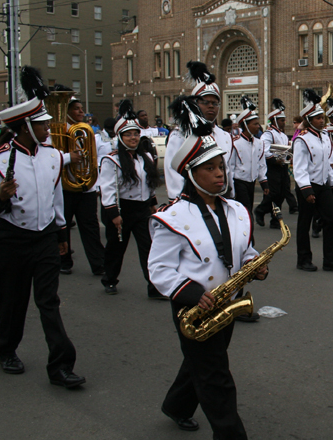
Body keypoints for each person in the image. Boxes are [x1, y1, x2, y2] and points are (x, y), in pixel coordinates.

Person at [148, 98, 264, 439]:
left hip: (227, 301)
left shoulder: (236, 210)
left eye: (221, 168)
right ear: (190, 173)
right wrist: (193, 294)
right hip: (194, 305)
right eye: (210, 169)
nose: (219, 175)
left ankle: (177, 405)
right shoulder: (173, 217)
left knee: (202, 360)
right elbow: (159, 269)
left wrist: (252, 265)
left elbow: (243, 248)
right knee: (215, 375)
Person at [0, 66, 85, 388]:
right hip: (12, 238)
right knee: (13, 300)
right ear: (27, 126)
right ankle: (6, 349)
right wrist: (0, 198)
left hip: (44, 238)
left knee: (49, 301)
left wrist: (61, 237)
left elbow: (57, 198)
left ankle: (60, 365)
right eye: (43, 124)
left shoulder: (52, 156)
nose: (49, 128)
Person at [98, 100, 161, 297]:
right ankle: (109, 279)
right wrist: (114, 214)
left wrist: (152, 205)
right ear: (120, 136)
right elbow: (107, 188)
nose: (133, 138)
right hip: (122, 209)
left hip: (142, 210)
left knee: (148, 249)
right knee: (116, 248)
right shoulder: (111, 160)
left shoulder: (146, 158)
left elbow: (148, 185)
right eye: (129, 134)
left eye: (136, 134)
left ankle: (154, 287)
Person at [164, 61, 234, 200]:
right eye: (205, 102)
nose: (211, 107)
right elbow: (172, 171)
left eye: (215, 103)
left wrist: (230, 196)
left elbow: (227, 170)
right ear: (195, 104)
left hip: (220, 198)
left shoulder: (224, 135)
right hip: (190, 199)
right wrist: (177, 200)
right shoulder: (180, 134)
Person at [293, 89, 333, 273]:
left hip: (323, 185)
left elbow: (327, 164)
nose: (321, 120)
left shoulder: (325, 137)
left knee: (330, 221)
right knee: (304, 223)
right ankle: (303, 259)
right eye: (317, 118)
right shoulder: (302, 140)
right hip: (308, 185)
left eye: (322, 117)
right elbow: (299, 168)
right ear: (309, 120)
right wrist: (306, 191)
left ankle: (331, 260)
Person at [59, 96, 106, 276]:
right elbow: (51, 157)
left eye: (81, 108)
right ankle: (64, 261)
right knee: (63, 226)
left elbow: (99, 152)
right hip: (65, 187)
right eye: (76, 109)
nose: (81, 112)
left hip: (85, 186)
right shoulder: (59, 132)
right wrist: (70, 157)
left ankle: (98, 263)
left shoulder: (87, 132)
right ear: (67, 112)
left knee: (90, 227)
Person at [255, 99, 294, 227]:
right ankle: (260, 210)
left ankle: (274, 218)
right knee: (274, 192)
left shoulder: (282, 135)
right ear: (275, 121)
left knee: (282, 192)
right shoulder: (268, 134)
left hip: (282, 166)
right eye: (282, 120)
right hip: (272, 167)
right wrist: (274, 159)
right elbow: (264, 150)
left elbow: (285, 150)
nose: (284, 122)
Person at [231, 97, 268, 224]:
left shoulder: (259, 143)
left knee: (248, 209)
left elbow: (261, 164)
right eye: (255, 124)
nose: (258, 126)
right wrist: (230, 188)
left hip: (251, 182)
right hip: (239, 182)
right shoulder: (235, 143)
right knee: (245, 212)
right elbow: (230, 166)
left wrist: (264, 182)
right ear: (246, 125)